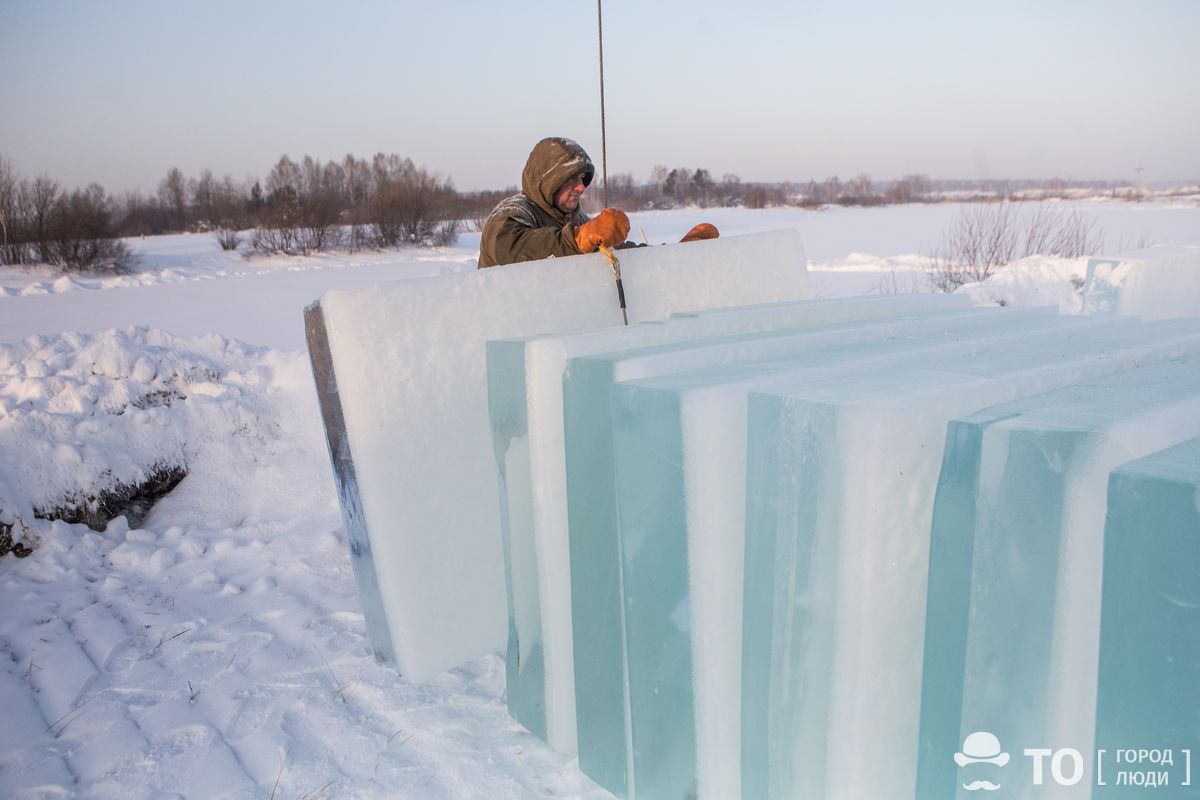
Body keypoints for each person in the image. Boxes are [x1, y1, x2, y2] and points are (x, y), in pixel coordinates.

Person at [477, 137, 718, 269]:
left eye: (582, 179)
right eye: (570, 179)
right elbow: (510, 250)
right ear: (547, 180)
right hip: (502, 335)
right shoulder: (513, 212)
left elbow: (615, 253)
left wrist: (671, 255)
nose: (581, 187)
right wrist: (578, 238)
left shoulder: (576, 222)